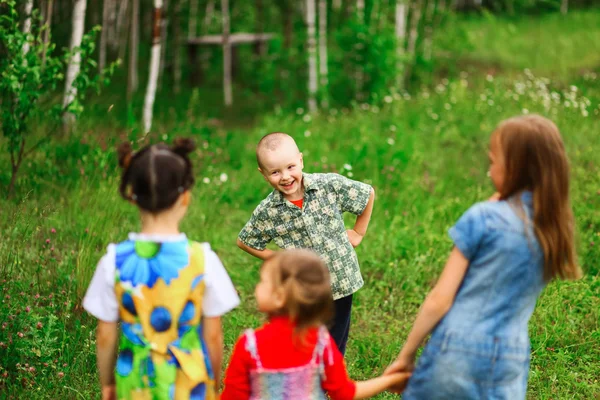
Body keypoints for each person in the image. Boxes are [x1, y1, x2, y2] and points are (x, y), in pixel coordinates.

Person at [385, 115, 581, 399]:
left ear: (513, 167)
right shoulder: (554, 229)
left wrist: (406, 355)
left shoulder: (483, 218)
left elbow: (440, 299)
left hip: (457, 350)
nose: (490, 171)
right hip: (509, 357)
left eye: (493, 161)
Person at [83, 139, 240, 400]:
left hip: (134, 381)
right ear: (185, 196)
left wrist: (108, 384)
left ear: (132, 196)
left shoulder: (113, 260)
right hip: (190, 382)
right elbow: (213, 335)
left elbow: (105, 335)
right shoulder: (203, 259)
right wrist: (213, 381)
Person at [237, 132, 375, 355]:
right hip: (303, 286)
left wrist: (358, 232)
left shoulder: (328, 185)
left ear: (300, 160)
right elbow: (246, 241)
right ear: (263, 174)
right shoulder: (268, 211)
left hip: (341, 277)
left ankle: (329, 377)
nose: (285, 177)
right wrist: (278, 258)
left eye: (290, 167)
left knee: (336, 334)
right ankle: (305, 370)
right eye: (275, 172)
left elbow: (366, 194)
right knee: (306, 334)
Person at [221, 249, 410, 399]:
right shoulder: (320, 342)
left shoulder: (249, 346)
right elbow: (345, 393)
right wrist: (389, 380)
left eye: (262, 282)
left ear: (279, 297)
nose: (257, 287)